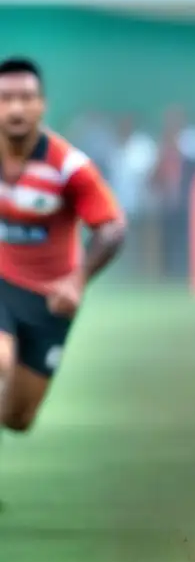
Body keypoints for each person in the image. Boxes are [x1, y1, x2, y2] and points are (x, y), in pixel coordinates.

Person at [0, 58, 126, 472]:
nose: (16, 109)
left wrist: (78, 280)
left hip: (50, 299)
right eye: (5, 99)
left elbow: (111, 229)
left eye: (25, 98)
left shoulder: (69, 167)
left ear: (42, 105)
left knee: (19, 418)